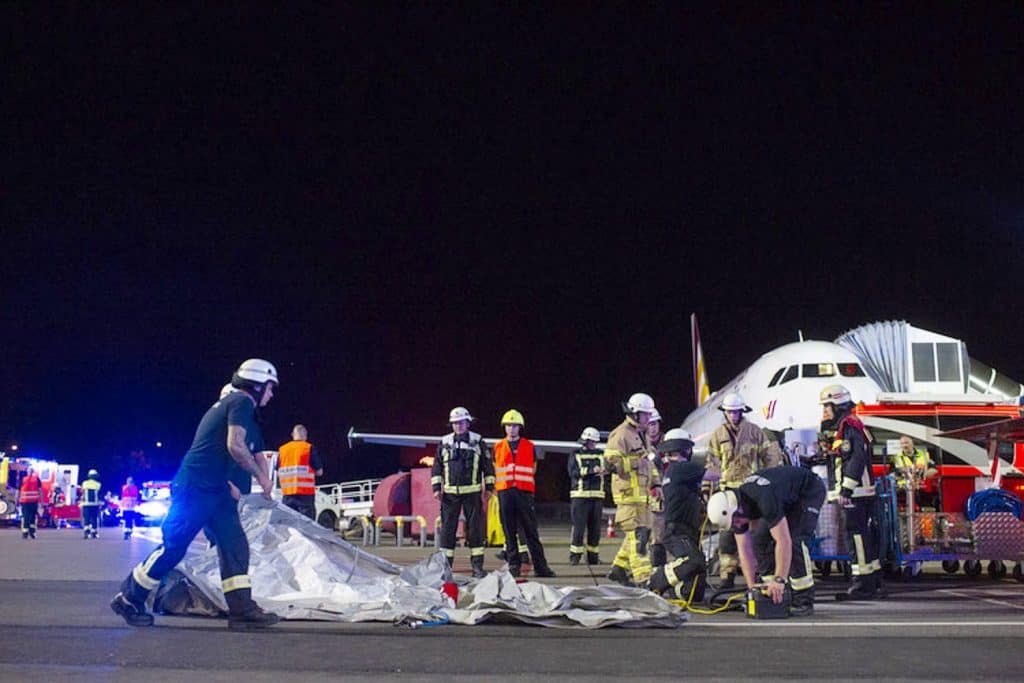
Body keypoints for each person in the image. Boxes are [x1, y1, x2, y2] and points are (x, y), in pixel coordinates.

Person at [110, 359, 281, 630]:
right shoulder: (241, 402)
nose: (272, 395)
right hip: (195, 487)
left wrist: (236, 484)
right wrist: (262, 478)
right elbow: (235, 446)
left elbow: (231, 452)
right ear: (257, 385)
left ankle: (241, 610)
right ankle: (129, 598)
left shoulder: (237, 407)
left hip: (216, 489)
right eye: (270, 388)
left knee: (234, 545)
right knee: (174, 546)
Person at [707, 465, 826, 616]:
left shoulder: (764, 498)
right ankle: (773, 593)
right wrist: (753, 588)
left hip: (808, 491)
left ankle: (803, 599)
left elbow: (784, 542)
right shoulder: (738, 510)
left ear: (735, 508)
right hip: (785, 496)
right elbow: (745, 550)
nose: (738, 525)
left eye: (737, 521)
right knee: (760, 539)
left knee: (795, 539)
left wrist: (779, 580)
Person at [705, 392, 782, 588]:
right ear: (725, 413)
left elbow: (770, 456)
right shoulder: (717, 436)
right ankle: (727, 575)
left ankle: (755, 573)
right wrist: (708, 490)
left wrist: (768, 480)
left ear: (742, 411)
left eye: (736, 412)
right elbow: (711, 464)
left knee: (755, 535)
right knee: (726, 537)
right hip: (728, 492)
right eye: (730, 412)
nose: (733, 415)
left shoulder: (754, 431)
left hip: (751, 492)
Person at [819, 384, 884, 601]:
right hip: (861, 491)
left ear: (837, 404)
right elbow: (843, 454)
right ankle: (873, 579)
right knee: (863, 535)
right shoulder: (849, 425)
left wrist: (846, 489)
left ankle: (862, 584)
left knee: (855, 536)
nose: (824, 411)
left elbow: (854, 459)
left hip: (855, 493)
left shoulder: (849, 426)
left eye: (827, 406)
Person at [431, 406, 495, 578]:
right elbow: (437, 467)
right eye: (455, 423)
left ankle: (477, 567)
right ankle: (445, 568)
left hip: (472, 494)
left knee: (475, 531)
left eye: (461, 422)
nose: (458, 426)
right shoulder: (444, 442)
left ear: (468, 423)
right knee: (447, 531)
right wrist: (436, 488)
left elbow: (487, 466)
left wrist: (489, 488)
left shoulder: (478, 441)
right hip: (450, 495)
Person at [645, 429, 707, 602]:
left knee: (696, 590)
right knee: (695, 561)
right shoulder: (683, 468)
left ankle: (680, 592)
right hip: (678, 530)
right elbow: (714, 474)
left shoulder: (672, 470)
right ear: (686, 449)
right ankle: (658, 579)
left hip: (684, 529)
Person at [605, 393, 659, 587]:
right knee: (639, 538)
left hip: (643, 497)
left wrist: (656, 484)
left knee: (639, 534)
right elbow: (611, 464)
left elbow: (650, 465)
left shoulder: (643, 436)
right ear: (634, 414)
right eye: (645, 415)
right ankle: (644, 580)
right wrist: (636, 461)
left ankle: (618, 570)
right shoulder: (620, 435)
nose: (649, 419)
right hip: (627, 496)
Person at [494, 409, 555, 578]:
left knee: (531, 532)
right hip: (505, 492)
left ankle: (541, 567)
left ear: (520, 427)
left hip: (523, 493)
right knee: (509, 532)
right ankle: (514, 565)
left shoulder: (529, 446)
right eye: (508, 425)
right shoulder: (497, 447)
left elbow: (533, 468)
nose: (511, 429)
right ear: (504, 427)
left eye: (514, 425)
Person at [568, 426, 606, 566]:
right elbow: (573, 472)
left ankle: (593, 558)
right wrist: (591, 470)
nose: (592, 444)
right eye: (590, 441)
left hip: (597, 496)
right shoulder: (575, 454)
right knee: (579, 528)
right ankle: (575, 557)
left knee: (595, 529)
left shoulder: (601, 454)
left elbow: (607, 468)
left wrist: (605, 470)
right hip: (580, 496)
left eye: (593, 442)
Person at [278, 424, 324, 520]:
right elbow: (319, 472)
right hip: (305, 496)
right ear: (305, 436)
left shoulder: (282, 450)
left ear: (293, 434)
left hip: (287, 495)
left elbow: (278, 470)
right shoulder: (308, 448)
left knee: (289, 525)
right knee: (306, 526)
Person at [646, 409, 669, 569]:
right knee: (655, 536)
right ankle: (657, 570)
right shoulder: (638, 443)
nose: (652, 428)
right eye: (649, 424)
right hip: (650, 497)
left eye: (654, 424)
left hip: (669, 495)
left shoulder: (669, 442)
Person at [890, 435, 938, 509]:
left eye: (906, 443)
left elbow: (934, 470)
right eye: (902, 443)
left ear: (912, 444)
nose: (904, 445)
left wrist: (921, 475)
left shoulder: (924, 454)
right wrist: (901, 474)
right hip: (903, 490)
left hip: (921, 489)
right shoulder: (896, 457)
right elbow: (891, 474)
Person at [18, 466, 42, 539]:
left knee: (25, 517)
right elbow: (40, 491)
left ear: (27, 472)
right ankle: (32, 533)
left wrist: (17, 500)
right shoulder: (37, 479)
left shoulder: (23, 479)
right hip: (34, 502)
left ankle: (25, 533)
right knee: (32, 517)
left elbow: (18, 490)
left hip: (25, 502)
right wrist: (41, 501)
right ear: (33, 471)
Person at [81, 469, 103, 539]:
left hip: (86, 504)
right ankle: (94, 532)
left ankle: (86, 532)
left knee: (87, 518)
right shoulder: (98, 484)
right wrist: (101, 503)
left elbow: (82, 493)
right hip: (94, 504)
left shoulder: (84, 483)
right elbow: (99, 494)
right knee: (94, 518)